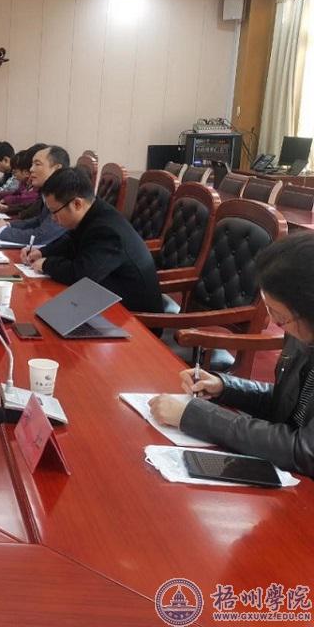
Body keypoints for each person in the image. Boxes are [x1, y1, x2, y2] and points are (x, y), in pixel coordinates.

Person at [149, 232, 314, 476]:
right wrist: (225, 387)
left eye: (280, 317)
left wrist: (194, 416)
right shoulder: (302, 332)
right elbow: (287, 403)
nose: (272, 321)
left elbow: (304, 451)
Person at [23, 168, 162, 313]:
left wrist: (46, 264)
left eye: (54, 212)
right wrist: (42, 252)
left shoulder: (107, 230)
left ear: (77, 204)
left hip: (133, 315)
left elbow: (81, 275)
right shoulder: (92, 212)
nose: (52, 218)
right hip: (103, 300)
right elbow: (70, 243)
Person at [0, 144, 70, 246]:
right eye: (31, 165)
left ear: (56, 169)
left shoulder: (65, 194)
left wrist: (3, 231)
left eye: (37, 164)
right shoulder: (50, 191)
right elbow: (39, 220)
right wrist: (10, 225)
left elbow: (41, 236)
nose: (31, 169)